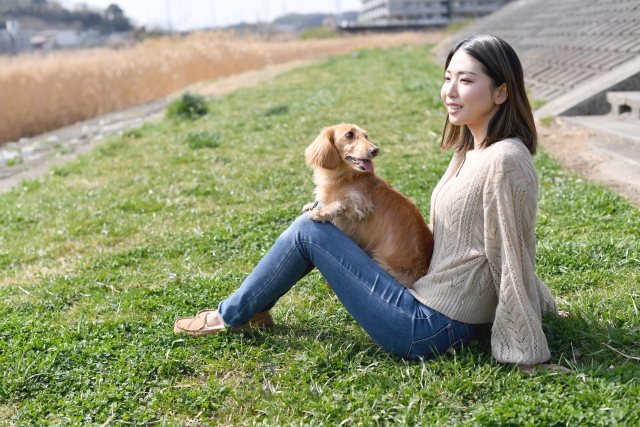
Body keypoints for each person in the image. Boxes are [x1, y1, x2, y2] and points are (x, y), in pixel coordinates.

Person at [174, 34, 570, 373]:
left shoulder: (505, 160)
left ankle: (231, 315)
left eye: (465, 80)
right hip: (432, 304)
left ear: (501, 91)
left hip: (429, 326)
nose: (450, 91)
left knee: (309, 230)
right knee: (312, 225)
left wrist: (525, 350)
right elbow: (483, 237)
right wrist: (546, 305)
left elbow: (513, 249)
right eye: (447, 78)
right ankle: (249, 312)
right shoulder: (471, 151)